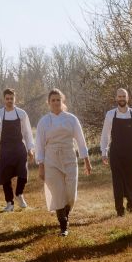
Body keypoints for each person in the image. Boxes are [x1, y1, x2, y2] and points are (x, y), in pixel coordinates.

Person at [35, 89, 92, 237]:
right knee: (58, 193)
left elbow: (80, 140)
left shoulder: (71, 119)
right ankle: (63, 225)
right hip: (51, 159)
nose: (55, 103)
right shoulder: (44, 121)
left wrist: (86, 160)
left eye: (58, 100)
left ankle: (66, 213)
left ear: (62, 101)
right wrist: (41, 165)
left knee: (70, 194)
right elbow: (39, 145)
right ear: (48, 103)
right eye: (53, 100)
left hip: (69, 157)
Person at [100, 88, 132, 216]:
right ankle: (119, 210)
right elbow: (105, 135)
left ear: (128, 98)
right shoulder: (110, 114)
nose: (121, 98)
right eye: (119, 96)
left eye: (124, 96)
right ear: (116, 98)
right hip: (116, 153)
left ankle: (131, 204)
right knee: (117, 182)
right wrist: (104, 152)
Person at [0, 88, 35, 212]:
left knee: (23, 173)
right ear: (4, 99)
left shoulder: (22, 114)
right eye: (7, 98)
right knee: (6, 177)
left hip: (19, 147)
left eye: (11, 98)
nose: (9, 101)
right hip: (5, 149)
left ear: (14, 99)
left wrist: (30, 148)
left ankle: (19, 194)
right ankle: (9, 203)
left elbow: (27, 132)